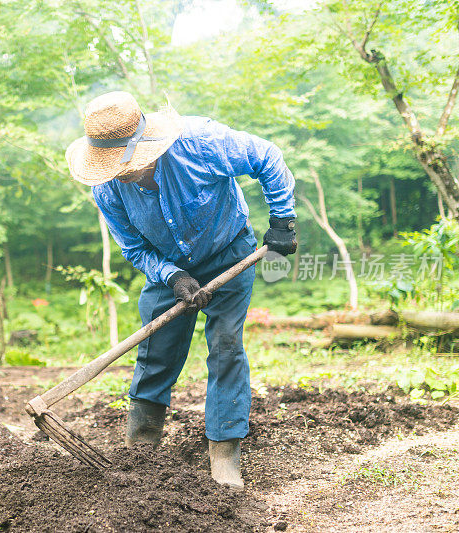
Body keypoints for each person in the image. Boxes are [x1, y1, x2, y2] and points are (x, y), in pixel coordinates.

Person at [65, 91, 297, 490]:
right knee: (155, 351)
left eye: (126, 163)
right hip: (166, 268)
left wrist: (282, 219)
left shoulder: (201, 142)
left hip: (229, 251)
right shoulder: (107, 189)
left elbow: (267, 157)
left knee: (226, 347)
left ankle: (224, 455)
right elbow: (135, 247)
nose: (120, 174)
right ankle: (141, 450)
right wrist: (172, 276)